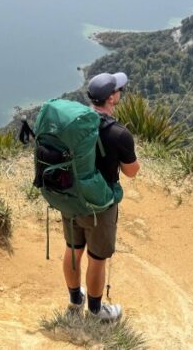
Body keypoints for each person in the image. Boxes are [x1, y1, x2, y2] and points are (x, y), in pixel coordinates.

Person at [62, 71, 140, 322]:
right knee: (97, 258)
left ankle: (76, 300)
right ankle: (96, 312)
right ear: (111, 98)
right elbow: (131, 172)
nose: (120, 92)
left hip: (71, 198)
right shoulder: (119, 134)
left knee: (73, 249)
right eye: (118, 90)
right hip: (100, 205)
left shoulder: (75, 123)